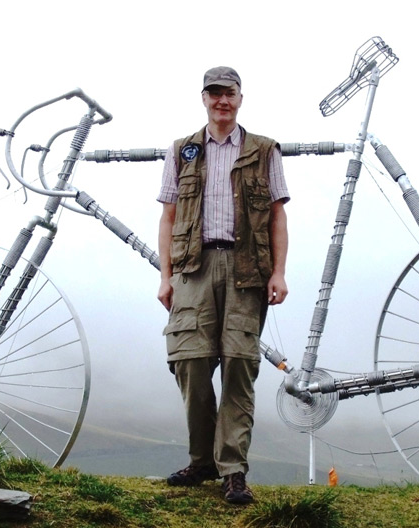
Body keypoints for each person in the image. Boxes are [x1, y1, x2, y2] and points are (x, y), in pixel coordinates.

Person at [156, 66, 289, 504]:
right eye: (214, 94)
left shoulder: (265, 150)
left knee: (238, 366)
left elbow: (277, 216)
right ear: (204, 99)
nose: (222, 102)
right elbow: (169, 216)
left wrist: (279, 272)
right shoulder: (182, 151)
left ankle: (232, 470)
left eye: (228, 93)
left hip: (247, 270)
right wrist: (165, 276)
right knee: (190, 363)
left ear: (240, 97)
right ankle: (202, 462)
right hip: (193, 268)